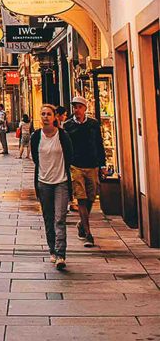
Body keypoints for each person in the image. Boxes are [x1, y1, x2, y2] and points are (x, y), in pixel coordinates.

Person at [31, 104, 74, 269]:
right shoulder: (36, 137)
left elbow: (69, 155)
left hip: (61, 182)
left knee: (59, 219)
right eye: (43, 114)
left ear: (55, 117)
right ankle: (52, 250)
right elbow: (36, 158)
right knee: (48, 218)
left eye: (49, 114)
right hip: (43, 183)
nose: (46, 117)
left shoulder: (63, 136)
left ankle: (61, 254)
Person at [64, 95, 106, 248]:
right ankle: (88, 234)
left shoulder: (93, 124)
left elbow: (99, 144)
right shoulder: (67, 125)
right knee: (81, 198)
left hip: (92, 165)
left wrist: (102, 164)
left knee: (91, 197)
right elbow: (66, 147)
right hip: (76, 166)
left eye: (79, 107)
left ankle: (82, 223)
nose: (76, 110)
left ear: (85, 108)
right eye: (74, 107)